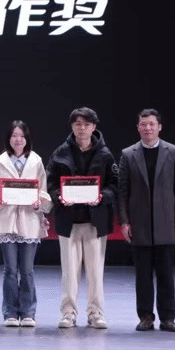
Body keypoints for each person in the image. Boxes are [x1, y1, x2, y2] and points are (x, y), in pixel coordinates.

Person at [117, 108, 175, 333]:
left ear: (159, 127)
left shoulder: (174, 152)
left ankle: (168, 318)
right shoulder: (128, 154)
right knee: (143, 276)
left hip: (167, 223)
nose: (147, 128)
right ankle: (146, 317)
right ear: (138, 128)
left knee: (166, 275)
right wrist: (124, 221)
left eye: (151, 124)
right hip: (138, 225)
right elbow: (122, 192)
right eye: (143, 124)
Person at [45, 107, 117, 329]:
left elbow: (114, 185)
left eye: (86, 124)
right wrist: (59, 197)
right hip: (69, 221)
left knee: (95, 272)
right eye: (77, 124)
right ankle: (68, 313)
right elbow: (50, 183)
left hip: (96, 222)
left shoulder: (105, 154)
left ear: (94, 127)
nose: (82, 128)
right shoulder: (60, 153)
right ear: (72, 126)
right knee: (69, 273)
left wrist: (102, 196)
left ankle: (95, 313)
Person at [0, 120, 52, 327]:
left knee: (28, 270)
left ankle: (29, 312)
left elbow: (43, 191)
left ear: (27, 139)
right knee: (10, 270)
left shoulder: (37, 162)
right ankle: (10, 313)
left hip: (30, 221)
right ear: (9, 139)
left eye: (21, 136)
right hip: (7, 221)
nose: (18, 139)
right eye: (14, 135)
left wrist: (39, 202)